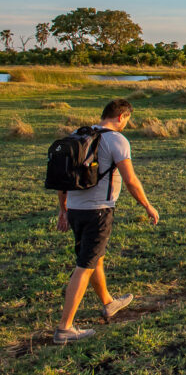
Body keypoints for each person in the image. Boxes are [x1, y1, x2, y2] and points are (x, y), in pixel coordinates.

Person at [53, 99, 159, 344]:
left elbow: (63, 177)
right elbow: (130, 180)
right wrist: (147, 205)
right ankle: (64, 328)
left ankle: (108, 302)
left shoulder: (78, 134)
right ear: (121, 116)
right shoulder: (117, 140)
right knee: (85, 265)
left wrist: (63, 209)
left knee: (94, 258)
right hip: (98, 211)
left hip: (75, 209)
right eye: (127, 120)